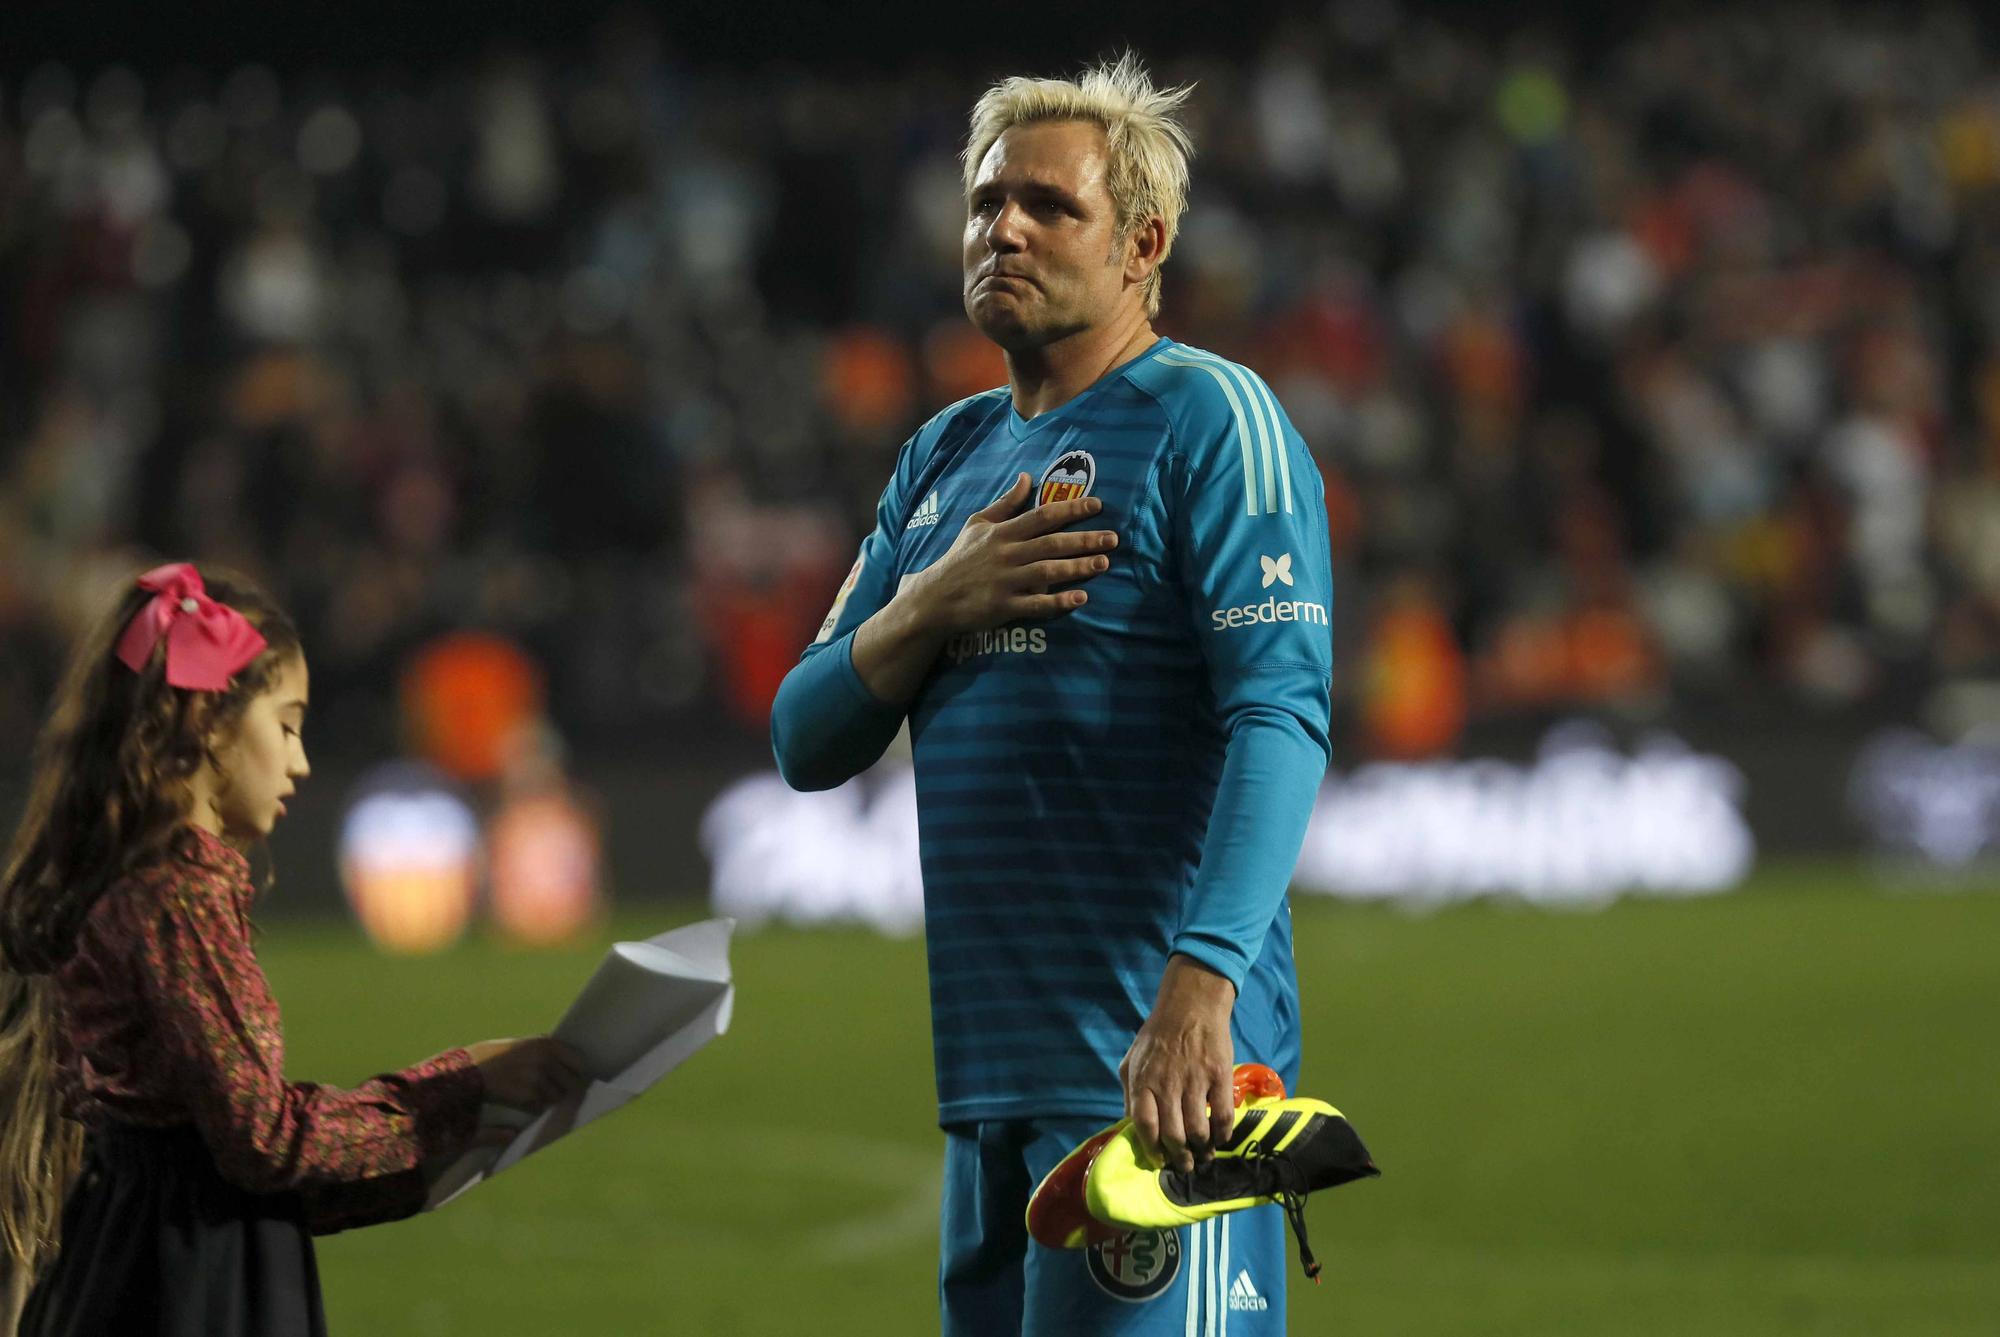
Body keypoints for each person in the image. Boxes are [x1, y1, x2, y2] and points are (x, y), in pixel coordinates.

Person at [770, 54, 1334, 1335]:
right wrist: (932, 600)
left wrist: (1201, 987)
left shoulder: (1212, 418)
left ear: (1141, 243)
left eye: (1045, 205)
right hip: (985, 1083)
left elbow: (1280, 717)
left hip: (1157, 1087)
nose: (1001, 228)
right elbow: (802, 734)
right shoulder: (943, 458)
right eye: (983, 204)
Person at [0, 562, 585, 1336]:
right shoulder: (176, 890)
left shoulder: (131, 871)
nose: (300, 761)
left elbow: (229, 1148)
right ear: (208, 721)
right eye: (285, 724)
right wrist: (467, 1088)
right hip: (188, 1278)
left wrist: (451, 1139)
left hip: (134, 1247)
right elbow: (265, 1141)